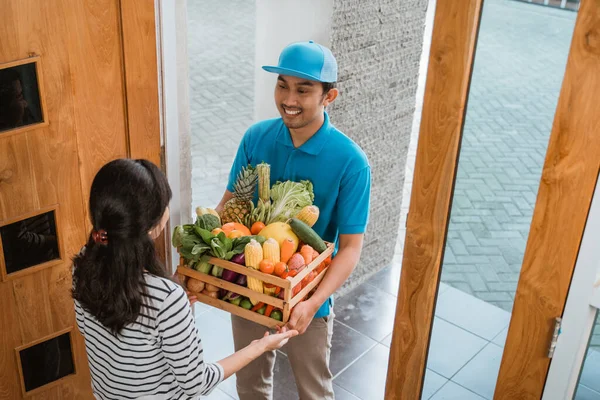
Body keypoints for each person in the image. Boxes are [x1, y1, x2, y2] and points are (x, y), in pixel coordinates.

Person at [216, 41, 371, 399]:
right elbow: (229, 205)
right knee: (250, 383)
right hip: (251, 283)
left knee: (313, 389)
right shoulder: (256, 138)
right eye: (282, 85)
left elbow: (350, 248)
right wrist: (200, 261)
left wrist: (312, 304)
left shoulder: (351, 162)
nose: (289, 98)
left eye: (303, 90)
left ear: (329, 96)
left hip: (308, 296)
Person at [72, 158, 297, 399]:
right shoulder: (166, 299)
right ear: (152, 226)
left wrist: (171, 317)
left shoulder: (84, 265)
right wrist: (259, 347)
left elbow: (108, 337)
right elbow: (197, 383)